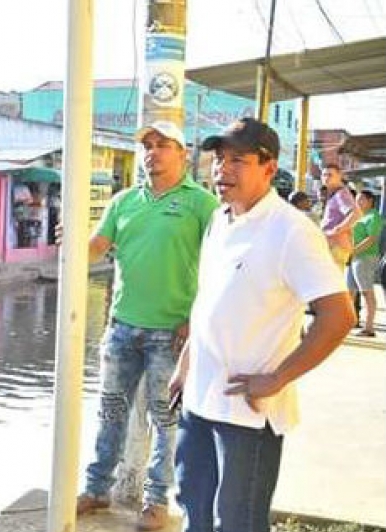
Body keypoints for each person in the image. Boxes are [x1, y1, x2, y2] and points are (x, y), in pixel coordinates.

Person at [171, 118, 355, 532]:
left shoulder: (291, 230)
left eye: (239, 160)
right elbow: (209, 299)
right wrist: (186, 363)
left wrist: (277, 378)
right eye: (219, 159)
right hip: (199, 400)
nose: (222, 170)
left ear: (270, 168)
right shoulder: (221, 219)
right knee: (193, 513)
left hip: (247, 413)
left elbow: (340, 315)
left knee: (237, 523)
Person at [75, 121, 219, 531]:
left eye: (162, 145)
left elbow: (219, 267)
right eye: (147, 146)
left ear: (183, 154)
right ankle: (97, 487)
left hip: (171, 333)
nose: (151, 153)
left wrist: (195, 321)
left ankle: (157, 502)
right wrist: (72, 243)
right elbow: (95, 250)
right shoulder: (123, 201)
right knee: (110, 412)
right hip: (121, 327)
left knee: (166, 420)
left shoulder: (202, 204)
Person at [349, 190, 382, 337]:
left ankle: (369, 327)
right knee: (350, 291)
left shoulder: (374, 217)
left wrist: (354, 251)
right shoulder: (359, 216)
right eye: (357, 199)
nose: (358, 202)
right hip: (354, 257)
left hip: (365, 258)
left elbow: (371, 239)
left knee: (366, 292)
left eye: (361, 199)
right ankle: (349, 322)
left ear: (370, 201)